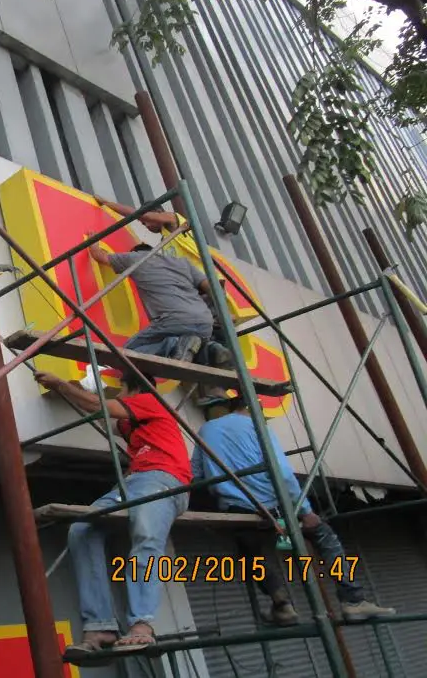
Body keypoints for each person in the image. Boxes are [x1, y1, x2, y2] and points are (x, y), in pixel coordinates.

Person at [191, 402, 395, 625]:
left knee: (251, 555)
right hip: (274, 505)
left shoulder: (206, 430)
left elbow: (197, 475)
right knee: (323, 535)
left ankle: (282, 605)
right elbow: (283, 472)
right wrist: (305, 510)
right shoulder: (258, 427)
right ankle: (353, 600)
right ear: (250, 409)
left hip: (237, 509)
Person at [35, 368, 191, 654]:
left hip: (164, 478)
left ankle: (142, 624)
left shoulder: (150, 400)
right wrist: (79, 392)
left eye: (121, 389)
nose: (119, 395)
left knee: (146, 534)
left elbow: (99, 407)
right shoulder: (135, 421)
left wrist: (61, 385)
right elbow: (104, 416)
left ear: (133, 389)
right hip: (133, 482)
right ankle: (101, 625)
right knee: (82, 528)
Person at [89, 241, 215, 365]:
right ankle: (210, 351)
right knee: (188, 352)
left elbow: (99, 256)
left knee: (127, 353)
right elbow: (212, 288)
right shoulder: (182, 263)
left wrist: (93, 240)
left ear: (135, 252)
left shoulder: (136, 258)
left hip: (174, 321)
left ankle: (173, 344)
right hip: (205, 323)